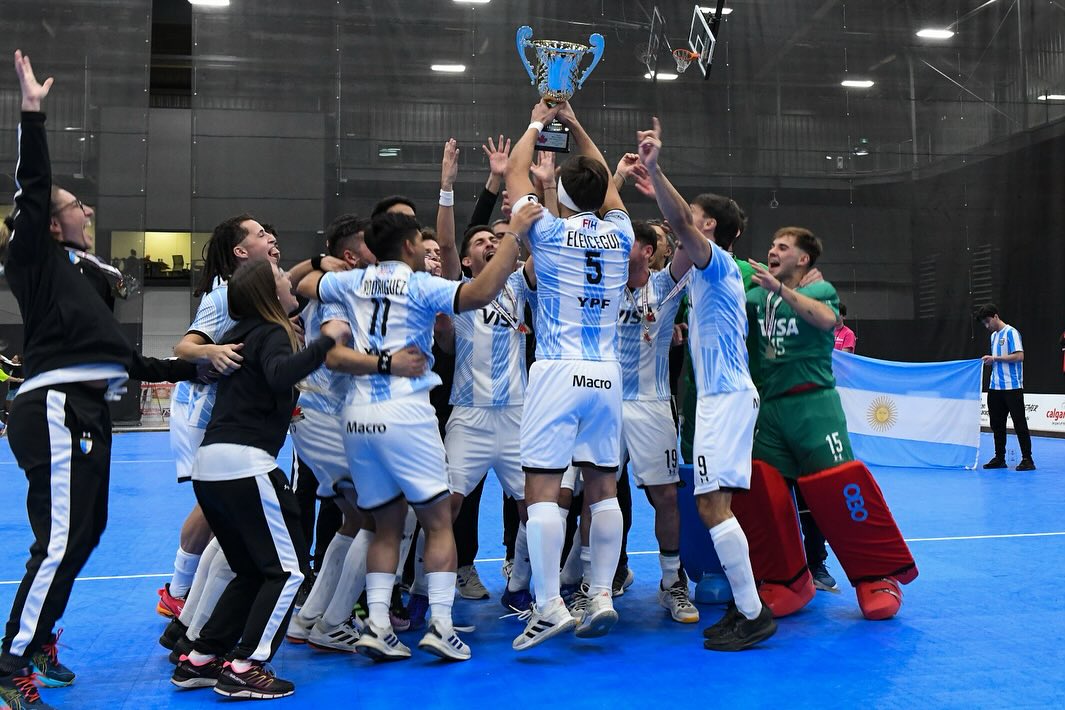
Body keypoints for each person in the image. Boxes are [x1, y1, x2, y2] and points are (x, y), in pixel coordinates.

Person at [0, 50, 200, 709]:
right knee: (58, 539)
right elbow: (32, 194)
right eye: (73, 203)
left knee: (86, 533)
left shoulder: (83, 282)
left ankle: (40, 642)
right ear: (52, 222)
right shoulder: (33, 253)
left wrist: (204, 365)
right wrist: (33, 113)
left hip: (87, 411)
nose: (85, 207)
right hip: (52, 407)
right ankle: (8, 667)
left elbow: (128, 363)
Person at [298, 206, 541, 662]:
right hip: (405, 411)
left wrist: (321, 263)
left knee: (384, 526)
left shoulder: (351, 282)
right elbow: (481, 291)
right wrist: (516, 235)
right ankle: (442, 626)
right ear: (410, 245)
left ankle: (377, 627)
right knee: (438, 521)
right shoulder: (419, 284)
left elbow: (302, 284)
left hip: (356, 416)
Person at [170, 260, 343, 699]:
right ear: (268, 293)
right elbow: (281, 374)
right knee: (287, 572)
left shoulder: (240, 334)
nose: (289, 279)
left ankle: (201, 657)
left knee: (249, 570)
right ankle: (246, 665)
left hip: (213, 467)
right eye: (282, 276)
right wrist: (326, 341)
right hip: (242, 463)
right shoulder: (269, 334)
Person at [638, 117, 776, 651]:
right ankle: (748, 608)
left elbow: (678, 222)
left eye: (692, 219)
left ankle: (753, 612)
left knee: (711, 506)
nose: (680, 223)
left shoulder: (716, 263)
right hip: (723, 398)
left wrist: (655, 168)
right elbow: (667, 260)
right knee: (717, 506)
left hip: (725, 399)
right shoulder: (697, 270)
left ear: (709, 227)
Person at [505, 99, 634, 650]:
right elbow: (605, 181)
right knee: (603, 487)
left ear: (559, 194)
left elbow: (514, 172)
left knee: (543, 490)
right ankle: (601, 594)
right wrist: (577, 125)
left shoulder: (548, 233)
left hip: (556, 370)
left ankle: (550, 604)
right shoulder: (623, 234)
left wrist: (537, 121)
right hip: (607, 374)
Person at [742, 226, 917, 622]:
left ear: (803, 260)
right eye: (771, 245)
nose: (772, 250)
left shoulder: (819, 291)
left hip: (813, 404)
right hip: (770, 410)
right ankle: (786, 579)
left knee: (839, 488)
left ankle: (876, 576)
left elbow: (826, 321)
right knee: (761, 487)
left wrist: (781, 289)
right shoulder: (754, 297)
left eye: (782, 247)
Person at [977, 304, 1035, 471]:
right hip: (995, 387)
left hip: (1012, 387)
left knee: (1019, 423)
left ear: (996, 316)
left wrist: (995, 358)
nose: (987, 326)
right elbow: (998, 359)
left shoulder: (1011, 332)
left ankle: (1027, 459)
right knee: (997, 424)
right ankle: (999, 457)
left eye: (988, 321)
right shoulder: (994, 336)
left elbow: (1019, 356)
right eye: (984, 324)